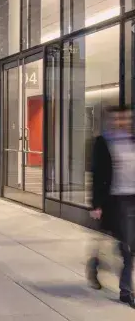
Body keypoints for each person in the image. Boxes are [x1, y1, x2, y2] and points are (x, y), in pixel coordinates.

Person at [88, 107, 135, 307]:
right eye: (117, 118)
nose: (122, 122)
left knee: (123, 244)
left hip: (132, 196)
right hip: (115, 200)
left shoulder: (132, 141)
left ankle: (96, 262)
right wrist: (96, 204)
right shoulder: (103, 142)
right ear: (111, 121)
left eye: (125, 118)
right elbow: (97, 175)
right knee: (126, 247)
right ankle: (126, 291)